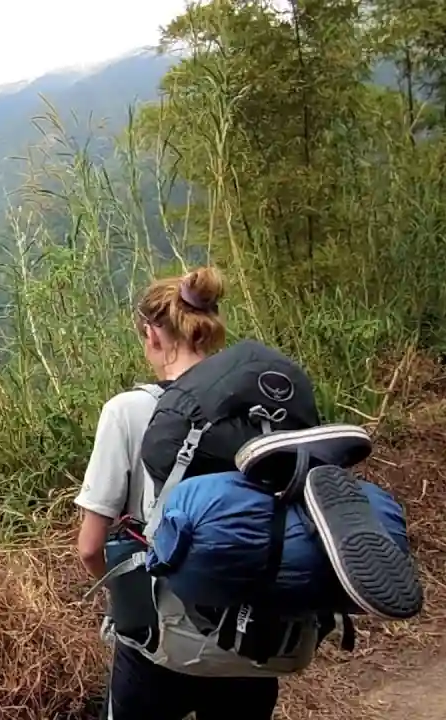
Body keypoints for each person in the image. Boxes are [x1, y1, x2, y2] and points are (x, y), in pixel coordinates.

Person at [74, 266, 281, 720]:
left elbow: (91, 548)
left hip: (161, 645)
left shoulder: (128, 411)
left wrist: (126, 606)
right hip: (252, 640)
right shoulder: (260, 409)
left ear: (151, 335)